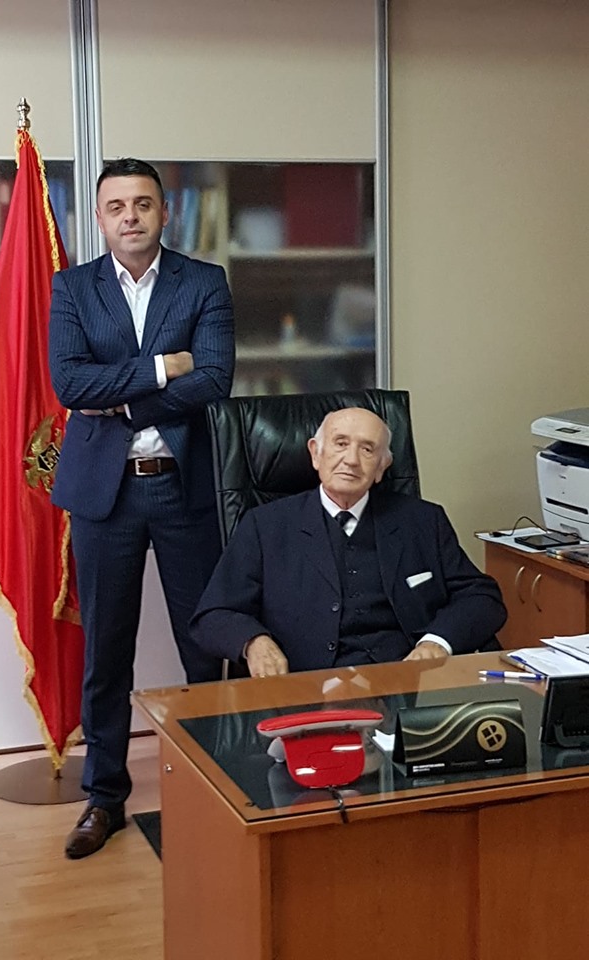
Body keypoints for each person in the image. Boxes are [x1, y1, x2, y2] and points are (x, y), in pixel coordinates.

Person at [48, 158, 235, 858]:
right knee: (106, 652)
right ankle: (104, 799)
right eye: (117, 206)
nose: (130, 216)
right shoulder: (73, 288)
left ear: (165, 212)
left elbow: (214, 378)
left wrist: (122, 400)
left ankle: (218, 784)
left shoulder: (204, 282)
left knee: (205, 646)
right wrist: (161, 368)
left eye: (143, 204)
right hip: (106, 494)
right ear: (100, 218)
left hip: (184, 488)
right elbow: (70, 384)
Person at [190, 407, 506, 678]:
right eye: (340, 444)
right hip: (304, 686)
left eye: (367, 449)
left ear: (382, 467)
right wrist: (254, 642)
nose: (351, 460)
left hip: (405, 684)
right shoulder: (265, 525)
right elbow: (214, 613)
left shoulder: (423, 520)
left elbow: (481, 597)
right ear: (315, 453)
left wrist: (436, 642)